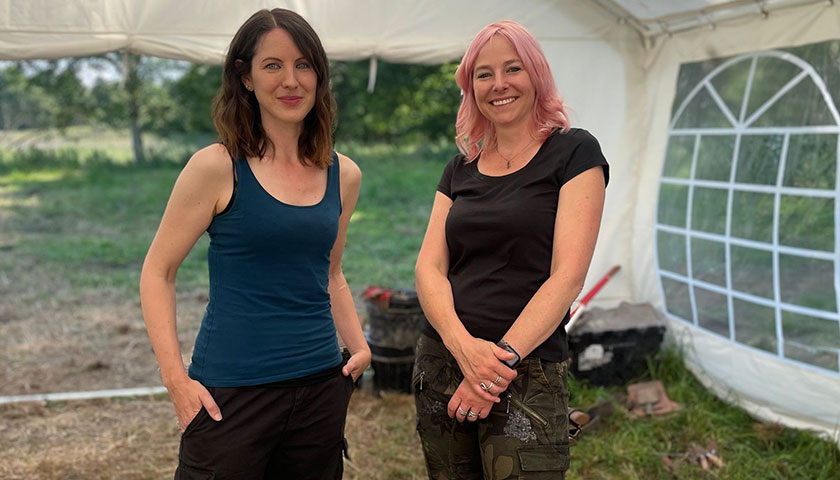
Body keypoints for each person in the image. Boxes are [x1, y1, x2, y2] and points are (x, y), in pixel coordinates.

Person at [139, 8, 370, 480]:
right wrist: (176, 381)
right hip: (232, 394)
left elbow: (331, 273)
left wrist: (359, 346)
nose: (291, 80)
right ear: (245, 77)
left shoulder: (343, 174)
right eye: (273, 65)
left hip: (320, 388)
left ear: (319, 76)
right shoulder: (216, 166)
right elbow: (158, 273)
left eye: (303, 65)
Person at [413, 20, 609, 480]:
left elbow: (568, 276)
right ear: (471, 88)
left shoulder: (574, 152)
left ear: (536, 74)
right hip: (443, 360)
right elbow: (428, 268)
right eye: (484, 74)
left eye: (513, 68)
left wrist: (493, 367)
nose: (499, 84)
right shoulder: (459, 169)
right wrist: (463, 349)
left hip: (527, 369)